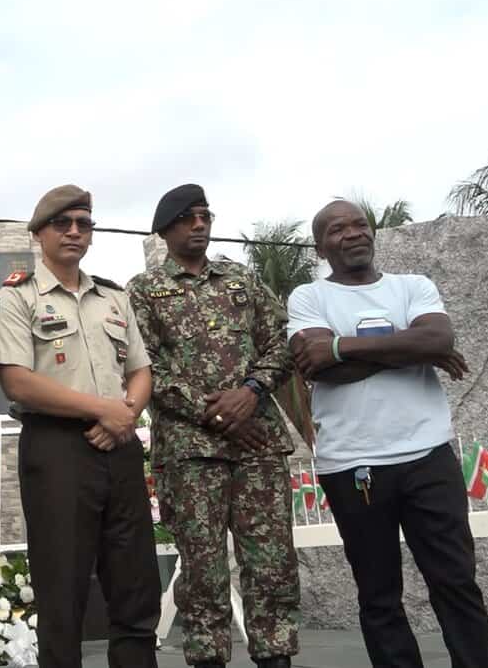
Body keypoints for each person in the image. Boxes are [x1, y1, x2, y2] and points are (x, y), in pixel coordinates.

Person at [287, 199, 488, 668]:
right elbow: (319, 367)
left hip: (428, 455)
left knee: (456, 581)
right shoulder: (308, 298)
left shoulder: (412, 286)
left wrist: (340, 346)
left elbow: (438, 339)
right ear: (320, 247)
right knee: (379, 594)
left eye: (359, 224)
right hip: (352, 463)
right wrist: (411, 349)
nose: (353, 233)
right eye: (338, 229)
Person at [126, 184, 299, 668]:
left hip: (258, 443)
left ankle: (276, 655)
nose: (199, 224)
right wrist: (221, 416)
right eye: (188, 218)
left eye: (205, 215)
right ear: (165, 230)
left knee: (272, 563)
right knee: (203, 571)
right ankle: (207, 657)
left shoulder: (241, 279)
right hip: (191, 453)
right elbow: (145, 368)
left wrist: (251, 392)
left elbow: (281, 341)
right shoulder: (142, 291)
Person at [0, 185, 159, 668]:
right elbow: (17, 381)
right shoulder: (17, 297)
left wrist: (125, 413)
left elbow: (141, 369)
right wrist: (103, 409)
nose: (74, 232)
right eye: (62, 224)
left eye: (83, 224)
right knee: (62, 593)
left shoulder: (114, 297)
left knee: (136, 586)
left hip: (120, 445)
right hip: (58, 449)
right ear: (38, 232)